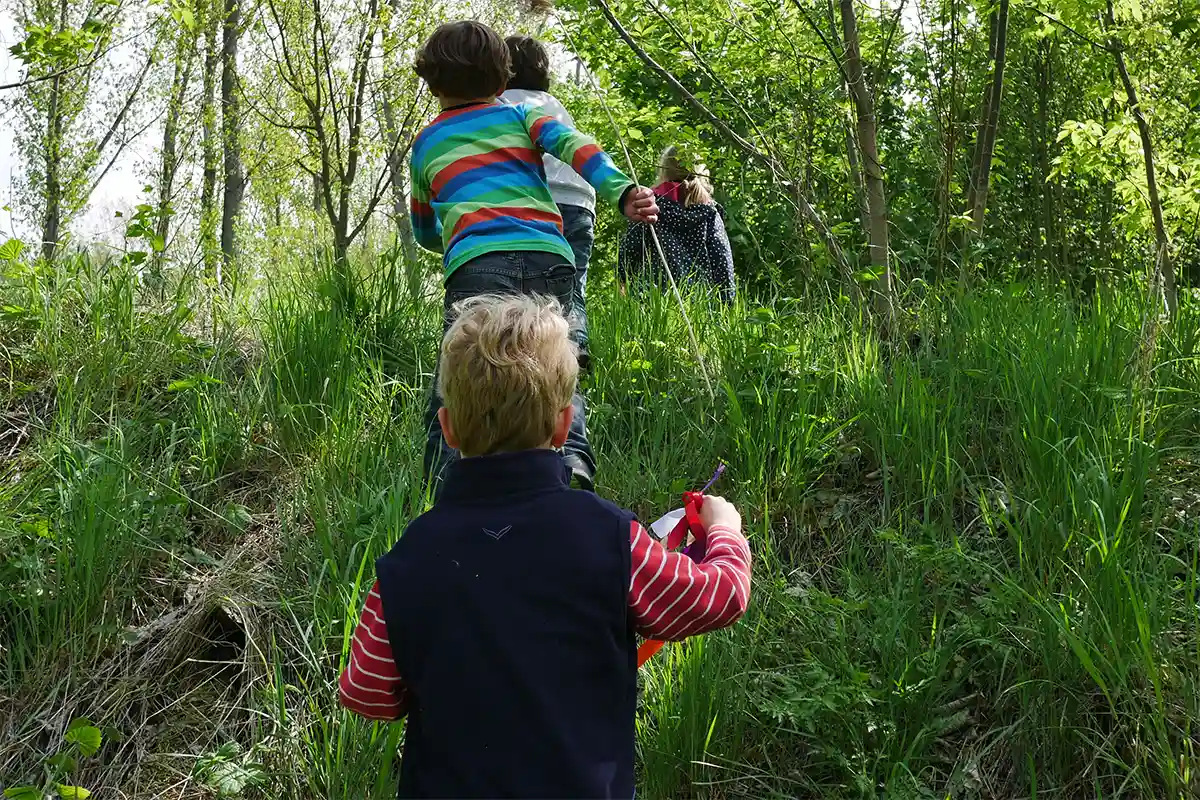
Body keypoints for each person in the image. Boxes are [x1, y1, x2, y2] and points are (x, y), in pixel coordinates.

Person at [338, 294, 752, 799]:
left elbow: (366, 692)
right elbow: (719, 595)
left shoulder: (409, 559)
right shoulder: (608, 538)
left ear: (447, 429)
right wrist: (724, 528)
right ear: (563, 425)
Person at [408, 20, 659, 495]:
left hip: (477, 266)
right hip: (549, 256)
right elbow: (575, 145)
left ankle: (445, 481)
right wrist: (622, 191)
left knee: (460, 372)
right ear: (503, 82)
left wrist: (459, 235)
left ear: (433, 83)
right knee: (557, 362)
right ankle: (571, 461)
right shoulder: (521, 117)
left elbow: (424, 229)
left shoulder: (426, 144)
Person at [501, 35, 597, 370]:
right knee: (571, 284)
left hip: (537, 201)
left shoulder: (500, 104)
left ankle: (522, 356)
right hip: (580, 200)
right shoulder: (555, 105)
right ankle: (575, 342)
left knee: (524, 291)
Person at [617, 145, 736, 303]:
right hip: (698, 301)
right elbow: (721, 259)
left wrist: (622, 279)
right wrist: (727, 301)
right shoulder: (709, 212)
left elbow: (629, 251)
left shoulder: (649, 207)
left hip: (652, 299)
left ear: (664, 169)